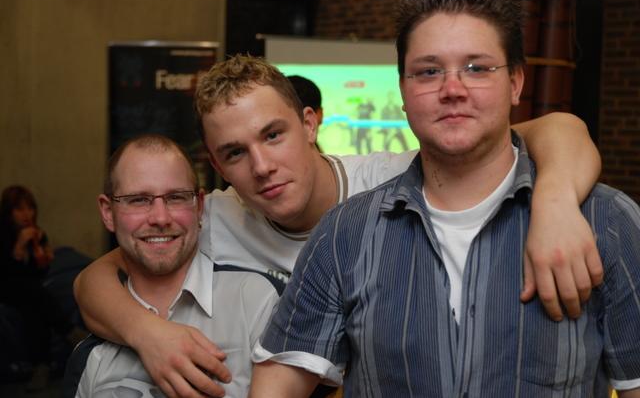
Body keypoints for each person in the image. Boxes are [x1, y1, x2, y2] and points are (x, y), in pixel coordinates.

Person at [73, 54, 604, 397]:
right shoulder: (220, 216)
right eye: (235, 152)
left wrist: (555, 203)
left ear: (309, 123)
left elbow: (559, 128)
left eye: (274, 135)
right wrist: (149, 334)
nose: (261, 166)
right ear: (216, 165)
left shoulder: (395, 181)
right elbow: (94, 280)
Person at [249, 0, 640, 396]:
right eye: (429, 71)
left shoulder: (606, 223)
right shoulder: (346, 233)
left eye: (477, 68)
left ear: (515, 83)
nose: (453, 88)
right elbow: (275, 387)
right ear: (402, 90)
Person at [65, 135, 278, 397]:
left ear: (199, 206)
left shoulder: (255, 303)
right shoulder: (92, 353)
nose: (160, 218)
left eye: (176, 197)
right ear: (108, 213)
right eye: (138, 200)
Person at [0, 185, 85, 391]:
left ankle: (42, 367)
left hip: (26, 292)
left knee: (34, 307)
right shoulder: (3, 233)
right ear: (9, 212)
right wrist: (18, 248)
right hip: (5, 286)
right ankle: (69, 331)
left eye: (30, 208)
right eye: (19, 209)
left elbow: (36, 276)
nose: (26, 214)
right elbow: (6, 274)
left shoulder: (37, 235)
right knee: (33, 293)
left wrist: (43, 261)